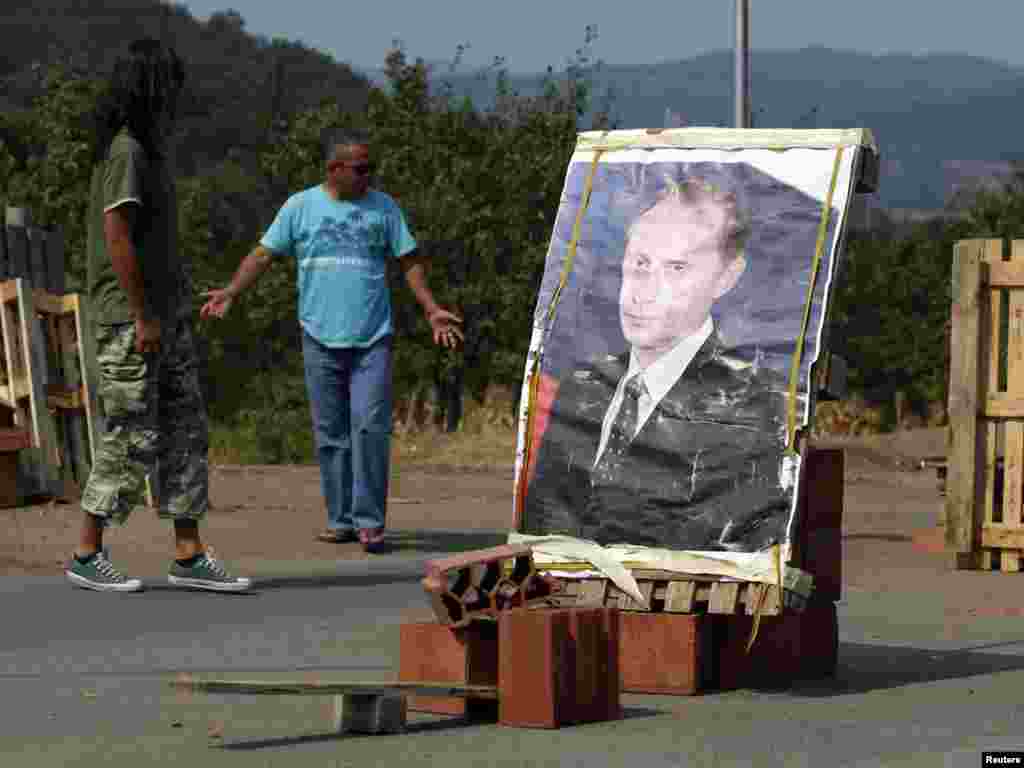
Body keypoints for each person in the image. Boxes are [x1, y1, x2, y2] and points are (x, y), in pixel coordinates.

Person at [201, 128, 463, 553]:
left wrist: (431, 308)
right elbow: (263, 254)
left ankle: (370, 523)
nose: (368, 177)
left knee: (370, 427)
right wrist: (232, 290)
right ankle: (340, 519)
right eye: (360, 169)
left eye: (371, 169)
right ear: (334, 169)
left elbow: (409, 262)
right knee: (331, 434)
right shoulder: (300, 207)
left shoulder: (384, 208)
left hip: (372, 338)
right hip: (319, 336)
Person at [66, 38, 250, 592]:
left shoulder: (149, 151)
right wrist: (143, 316)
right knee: (131, 434)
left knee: (185, 431)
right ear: (148, 88)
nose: (174, 97)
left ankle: (188, 554)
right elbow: (117, 238)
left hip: (166, 316)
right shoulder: (126, 152)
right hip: (131, 320)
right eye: (167, 85)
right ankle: (86, 550)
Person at [524, 177, 789, 552]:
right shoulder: (584, 386)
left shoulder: (753, 403)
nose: (644, 290)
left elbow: (730, 537)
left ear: (726, 277)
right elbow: (544, 514)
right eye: (640, 263)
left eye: (677, 268)